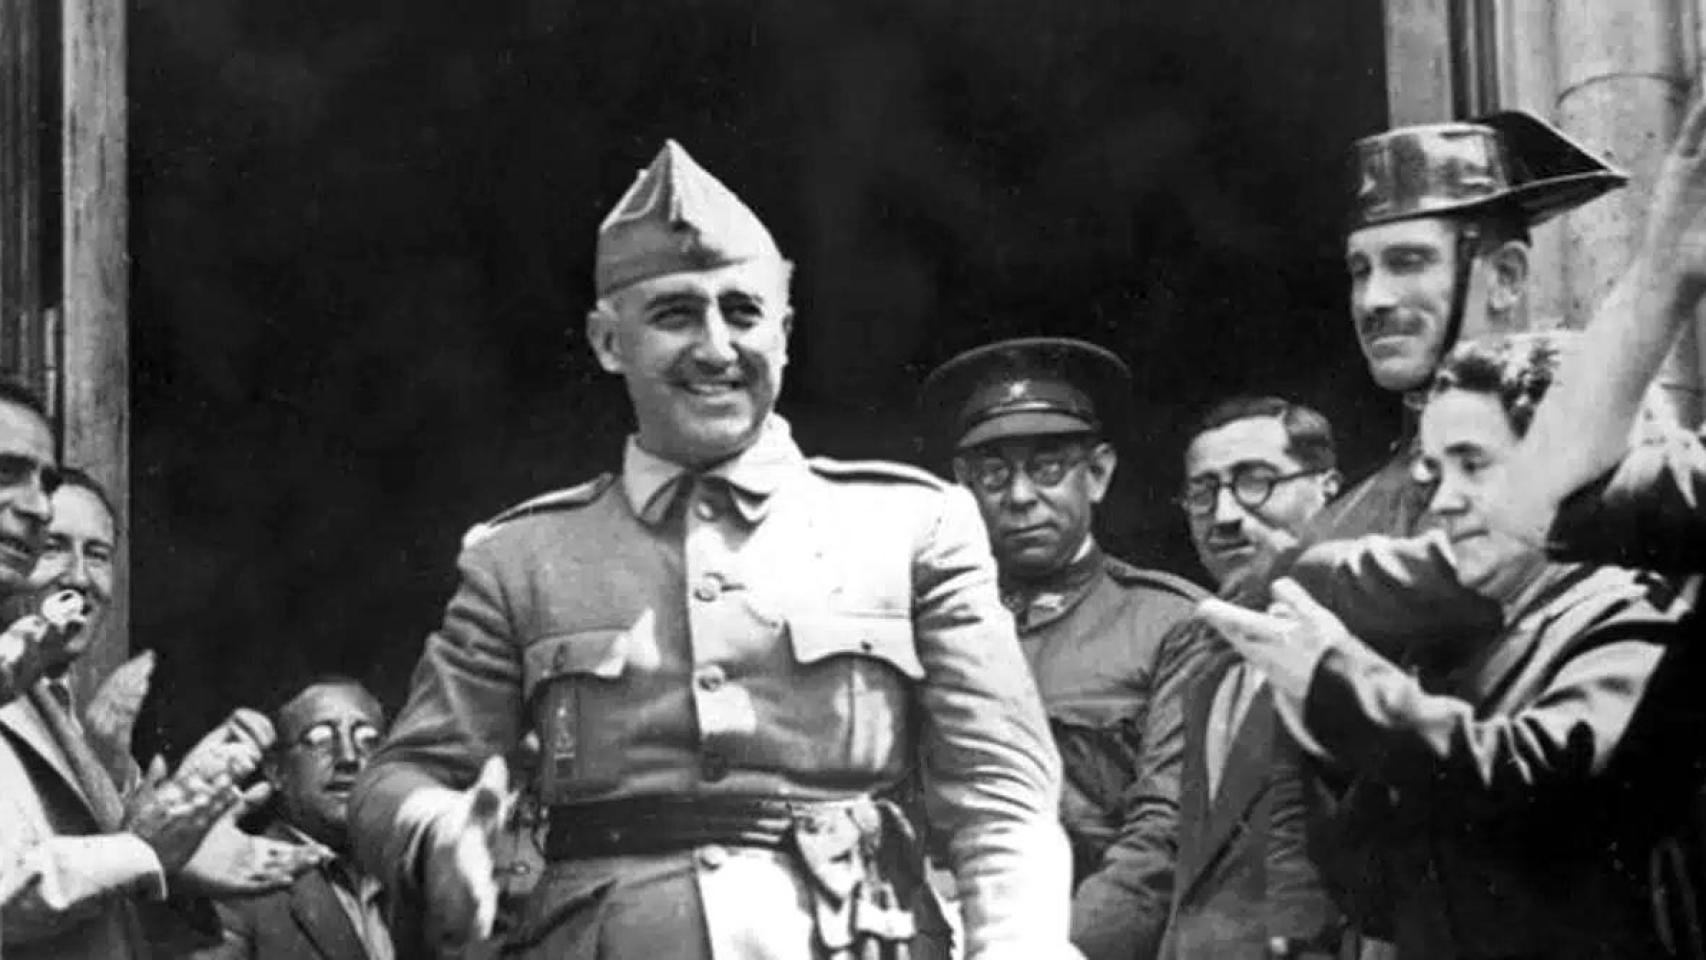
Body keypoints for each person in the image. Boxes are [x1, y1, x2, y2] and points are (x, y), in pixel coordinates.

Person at [349, 140, 1074, 960]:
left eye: (743, 312)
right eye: (675, 315)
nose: (718, 348)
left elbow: (1000, 791)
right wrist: (438, 833)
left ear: (786, 333)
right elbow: (401, 775)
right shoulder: (519, 557)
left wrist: (1017, 944)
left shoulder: (913, 524)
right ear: (608, 341)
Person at [1199, 332, 1685, 958]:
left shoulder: (1638, 616)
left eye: (1473, 466)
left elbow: (1533, 781)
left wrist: (1340, 686)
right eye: (1435, 472)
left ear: (1580, 468)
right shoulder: (1460, 651)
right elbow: (1374, 894)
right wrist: (1323, 733)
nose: (1444, 502)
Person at [917, 336, 1214, 960]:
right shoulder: (921, 628)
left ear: (1097, 474)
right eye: (994, 475)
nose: (1020, 496)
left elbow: (1163, 836)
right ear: (963, 487)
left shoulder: (1170, 625)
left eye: (1048, 468)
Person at [0, 458, 325, 960]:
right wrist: (144, 849)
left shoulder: (78, 729)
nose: (80, 578)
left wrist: (181, 856)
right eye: (54, 548)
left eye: (98, 555)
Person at [1312, 109, 1627, 544]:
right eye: (1361, 270)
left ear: (1506, 278)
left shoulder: (1598, 458)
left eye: (1407, 262)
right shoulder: (1340, 524)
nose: (1372, 300)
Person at [1161, 396, 1342, 959]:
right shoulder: (1204, 663)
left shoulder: (1363, 644)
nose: (1224, 516)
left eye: (1256, 482)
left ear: (1329, 488)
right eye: (1203, 492)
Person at [192, 676, 393, 960]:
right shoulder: (236, 886)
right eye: (320, 739)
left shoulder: (417, 878)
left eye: (368, 740)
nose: (349, 757)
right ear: (276, 770)